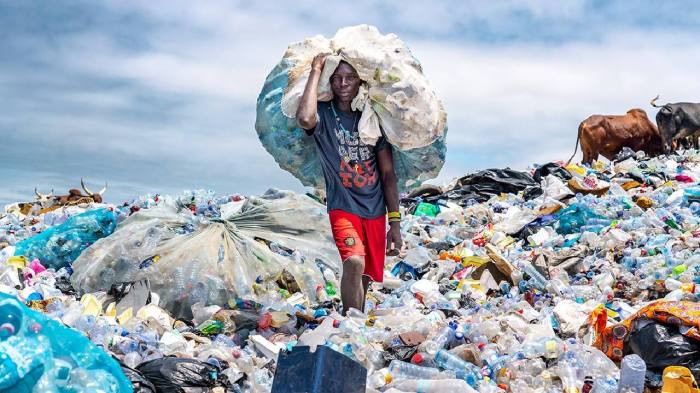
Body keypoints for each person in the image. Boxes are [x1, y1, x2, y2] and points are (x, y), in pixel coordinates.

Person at [296, 53, 402, 314]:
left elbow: (388, 175)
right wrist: (315, 69)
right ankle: (349, 323)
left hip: (375, 210)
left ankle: (357, 326)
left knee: (365, 277)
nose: (343, 83)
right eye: (337, 78)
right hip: (342, 205)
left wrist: (395, 224)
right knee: (354, 262)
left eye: (350, 78)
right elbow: (304, 119)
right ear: (329, 82)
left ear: (359, 83)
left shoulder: (370, 119)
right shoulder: (324, 116)